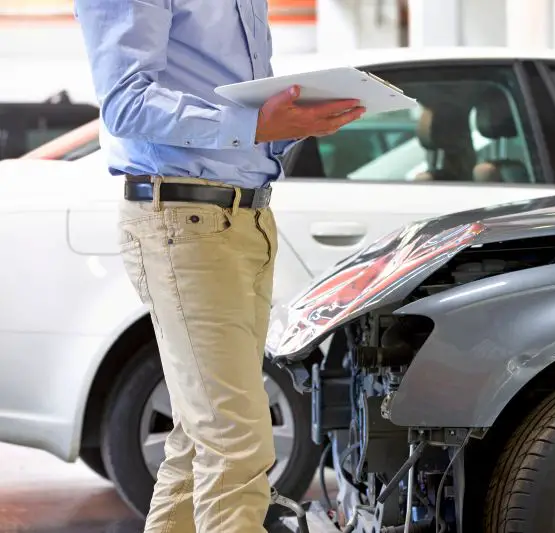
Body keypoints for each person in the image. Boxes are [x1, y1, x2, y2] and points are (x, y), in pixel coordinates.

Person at [72, 1, 365, 532]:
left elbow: (241, 121)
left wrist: (293, 122)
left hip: (244, 218)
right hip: (185, 220)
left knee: (199, 438)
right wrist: (252, 122)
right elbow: (126, 103)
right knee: (236, 442)